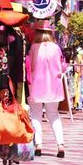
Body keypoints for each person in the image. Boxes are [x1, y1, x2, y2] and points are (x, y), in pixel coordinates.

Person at [27, 21, 67, 158]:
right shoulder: (56, 48)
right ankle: (60, 144)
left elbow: (29, 67)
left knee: (36, 115)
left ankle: (38, 144)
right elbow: (63, 67)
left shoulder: (33, 48)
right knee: (54, 115)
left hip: (36, 86)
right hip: (53, 87)